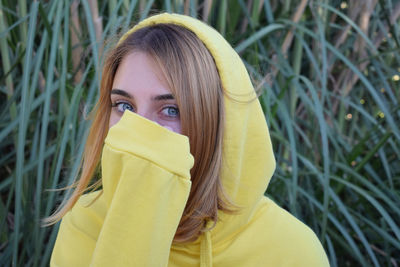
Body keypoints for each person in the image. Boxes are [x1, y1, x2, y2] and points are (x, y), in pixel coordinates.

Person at [49, 13, 329, 266]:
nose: (139, 129)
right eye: (124, 106)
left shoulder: (292, 251)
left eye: (171, 110)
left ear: (218, 123)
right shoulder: (86, 224)